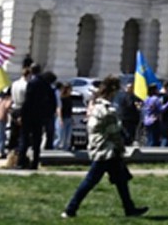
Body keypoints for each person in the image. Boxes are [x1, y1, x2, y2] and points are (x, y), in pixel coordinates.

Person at [61, 75, 148, 218]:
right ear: (112, 91)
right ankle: (70, 209)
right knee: (90, 181)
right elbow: (114, 133)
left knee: (121, 181)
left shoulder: (96, 106)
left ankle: (130, 208)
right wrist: (123, 144)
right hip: (106, 150)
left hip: (103, 148)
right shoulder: (108, 110)